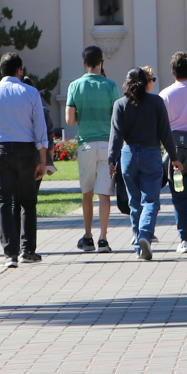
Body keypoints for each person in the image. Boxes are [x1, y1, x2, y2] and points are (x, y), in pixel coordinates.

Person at [0, 52, 50, 267]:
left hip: (1, 149)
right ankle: (29, 250)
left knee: (3, 200)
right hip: (26, 150)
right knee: (28, 201)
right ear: (19, 70)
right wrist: (42, 159)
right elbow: (40, 129)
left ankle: (10, 253)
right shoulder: (31, 92)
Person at [109, 67, 172, 260]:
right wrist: (174, 156)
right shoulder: (156, 102)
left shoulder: (120, 104)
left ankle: (138, 244)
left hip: (128, 155)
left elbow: (116, 135)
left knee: (134, 203)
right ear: (146, 83)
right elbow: (165, 132)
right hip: (151, 153)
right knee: (151, 200)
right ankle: (145, 234)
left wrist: (112, 159)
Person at [65, 45, 119, 253]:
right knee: (104, 193)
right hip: (107, 143)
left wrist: (83, 115)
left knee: (87, 192)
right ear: (101, 63)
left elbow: (69, 120)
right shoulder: (111, 85)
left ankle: (87, 237)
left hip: (86, 143)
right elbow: (116, 115)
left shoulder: (75, 86)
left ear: (84, 63)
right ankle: (103, 238)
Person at [158, 52, 187, 254]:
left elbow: (161, 126)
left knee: (178, 195)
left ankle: (184, 239)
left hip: (173, 151)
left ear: (172, 70)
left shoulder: (165, 94)